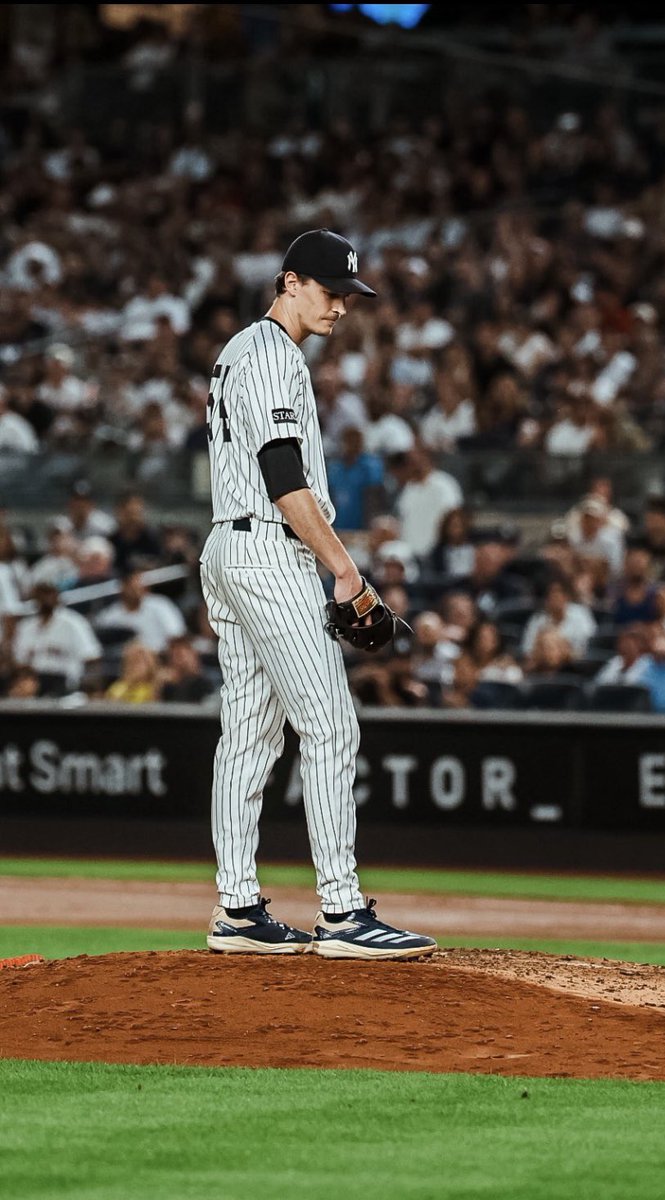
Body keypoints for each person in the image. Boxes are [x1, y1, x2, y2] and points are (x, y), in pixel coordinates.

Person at [198, 227, 435, 958]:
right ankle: (341, 910)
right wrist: (347, 572)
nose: (342, 307)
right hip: (270, 551)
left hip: (229, 547)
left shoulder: (239, 350)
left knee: (248, 734)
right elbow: (285, 480)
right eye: (332, 292)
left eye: (349, 296)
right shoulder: (272, 355)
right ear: (290, 282)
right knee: (330, 725)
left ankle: (237, 909)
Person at [12, 582, 101, 696]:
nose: (45, 599)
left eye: (48, 594)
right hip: (34, 681)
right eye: (41, 595)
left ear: (57, 596)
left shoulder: (74, 623)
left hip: (65, 681)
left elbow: (92, 656)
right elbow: (19, 662)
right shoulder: (25, 626)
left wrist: (88, 686)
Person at [594, 621, 665, 713]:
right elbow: (632, 683)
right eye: (654, 638)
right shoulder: (647, 662)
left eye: (661, 636)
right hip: (656, 718)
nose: (658, 641)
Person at [95, 569, 187, 653]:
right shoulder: (109, 615)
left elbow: (176, 635)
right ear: (123, 587)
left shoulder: (160, 605)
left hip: (161, 655)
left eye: (139, 586)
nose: (136, 590)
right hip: (127, 662)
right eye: (132, 586)